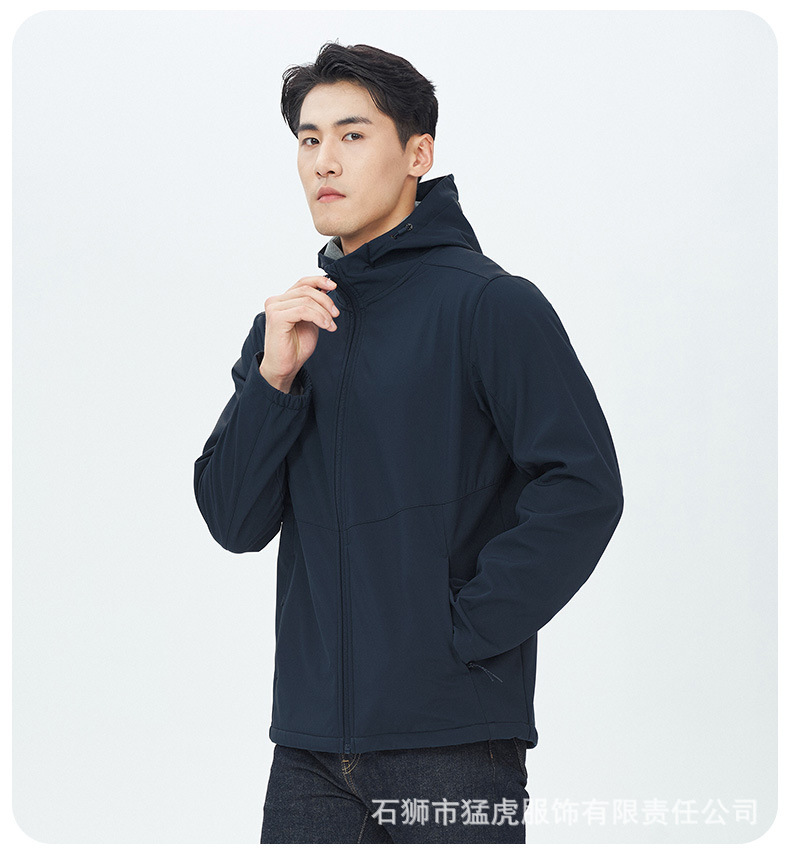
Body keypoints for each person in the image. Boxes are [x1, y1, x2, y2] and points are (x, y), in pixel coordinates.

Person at [193, 40, 624, 844]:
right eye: (309, 139)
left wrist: (460, 634)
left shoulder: (490, 305)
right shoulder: (289, 328)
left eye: (352, 135)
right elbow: (233, 520)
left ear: (417, 154)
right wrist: (273, 379)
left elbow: (583, 487)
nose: (324, 161)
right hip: (309, 751)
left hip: (452, 743)